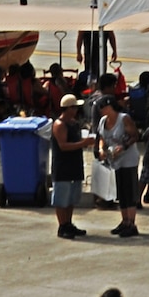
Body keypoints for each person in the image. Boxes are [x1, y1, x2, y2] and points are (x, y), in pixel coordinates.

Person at [96, 90, 142, 238]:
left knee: (129, 191)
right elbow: (102, 137)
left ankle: (131, 223)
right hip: (114, 160)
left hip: (128, 159)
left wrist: (123, 146)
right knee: (121, 192)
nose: (101, 110)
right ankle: (124, 220)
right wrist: (101, 149)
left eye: (103, 107)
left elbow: (135, 135)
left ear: (110, 107)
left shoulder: (124, 119)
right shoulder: (103, 121)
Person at [52, 92, 92, 239]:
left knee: (71, 198)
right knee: (62, 198)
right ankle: (62, 225)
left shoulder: (73, 123)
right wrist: (83, 143)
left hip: (74, 164)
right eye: (74, 107)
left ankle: (68, 223)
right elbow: (63, 146)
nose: (76, 110)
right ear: (68, 108)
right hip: (63, 166)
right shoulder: (59, 125)